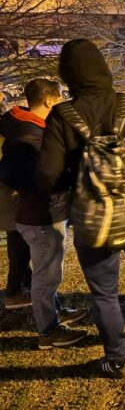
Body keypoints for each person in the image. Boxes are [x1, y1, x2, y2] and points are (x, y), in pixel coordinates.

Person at [37, 39, 125, 378]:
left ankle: (117, 359)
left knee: (104, 294)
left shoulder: (62, 116)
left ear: (68, 74)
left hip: (93, 221)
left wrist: (71, 195)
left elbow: (48, 175)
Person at [1, 78, 88, 347]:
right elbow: (34, 177)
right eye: (60, 97)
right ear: (50, 100)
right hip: (41, 215)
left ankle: (55, 312)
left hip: (37, 212)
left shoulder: (25, 127)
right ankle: (49, 331)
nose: (62, 102)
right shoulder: (31, 134)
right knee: (46, 276)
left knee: (47, 272)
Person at [0, 97, 33, 310]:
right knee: (20, 244)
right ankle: (14, 291)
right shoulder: (9, 136)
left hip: (7, 195)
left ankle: (24, 285)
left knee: (18, 242)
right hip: (8, 195)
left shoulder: (6, 131)